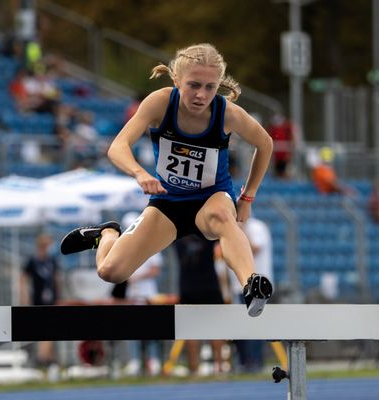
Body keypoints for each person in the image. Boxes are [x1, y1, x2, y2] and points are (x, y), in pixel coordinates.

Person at [59, 43, 274, 317]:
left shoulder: (226, 113)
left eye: (210, 87)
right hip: (168, 203)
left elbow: (265, 143)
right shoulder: (161, 102)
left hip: (211, 199)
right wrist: (140, 173)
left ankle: (250, 284)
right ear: (176, 81)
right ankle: (106, 235)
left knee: (223, 215)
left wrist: (247, 196)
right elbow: (117, 146)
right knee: (111, 272)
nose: (201, 95)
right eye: (193, 85)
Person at [218, 215, 273, 372]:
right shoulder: (230, 230)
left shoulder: (258, 227)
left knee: (255, 325)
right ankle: (243, 361)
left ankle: (256, 362)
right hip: (238, 286)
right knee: (240, 326)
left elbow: (254, 248)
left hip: (258, 288)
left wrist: (241, 230)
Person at [120, 212, 164, 377]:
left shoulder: (151, 243)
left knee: (151, 328)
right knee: (134, 328)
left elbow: (155, 269)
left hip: (147, 294)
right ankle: (136, 360)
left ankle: (152, 360)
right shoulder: (125, 247)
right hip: (133, 294)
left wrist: (136, 276)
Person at [175, 235, 227, 375]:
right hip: (209, 284)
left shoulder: (178, 235)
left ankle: (194, 369)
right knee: (215, 328)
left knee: (191, 330)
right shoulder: (206, 232)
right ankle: (219, 367)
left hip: (188, 286)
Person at [19, 233, 61, 367]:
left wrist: (58, 296)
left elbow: (56, 279)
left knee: (50, 330)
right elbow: (22, 279)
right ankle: (43, 358)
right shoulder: (33, 261)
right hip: (38, 300)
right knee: (45, 331)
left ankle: (47, 359)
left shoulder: (51, 261)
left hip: (51, 300)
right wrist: (24, 298)